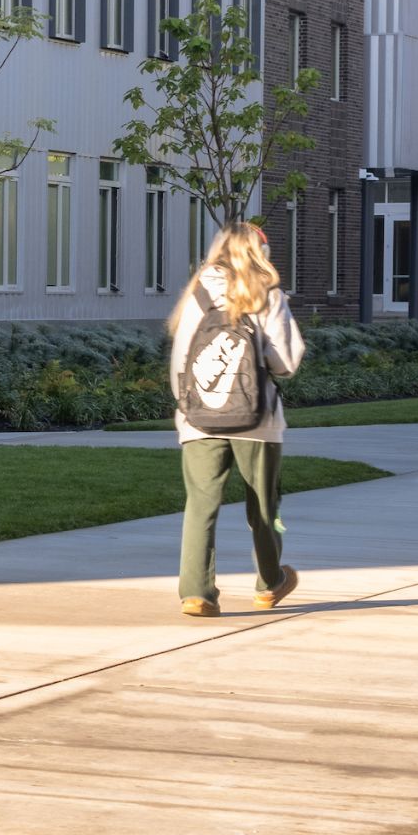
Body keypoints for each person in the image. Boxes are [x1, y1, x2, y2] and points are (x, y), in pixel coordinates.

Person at [167, 219, 309, 615]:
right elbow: (285, 362)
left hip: (199, 419)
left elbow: (181, 360)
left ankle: (196, 592)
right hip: (257, 419)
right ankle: (270, 583)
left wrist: (187, 405)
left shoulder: (196, 295)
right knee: (264, 506)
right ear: (259, 251)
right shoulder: (266, 293)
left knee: (201, 504)